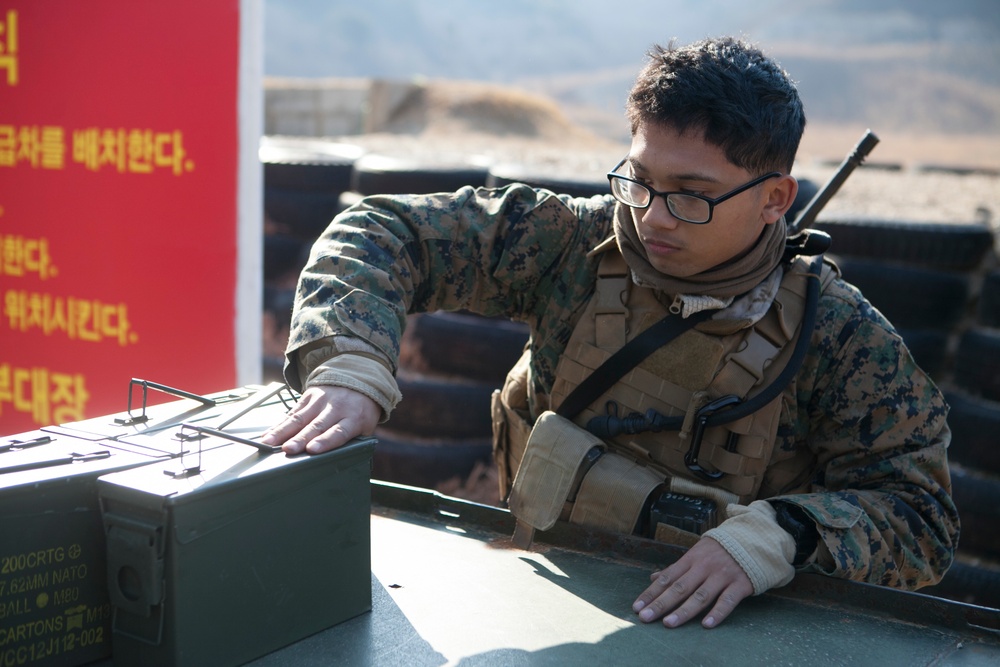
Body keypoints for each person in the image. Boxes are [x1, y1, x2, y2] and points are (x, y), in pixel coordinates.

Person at [261, 36, 958, 630]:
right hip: (539, 583)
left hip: (723, 627)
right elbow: (381, 232)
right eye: (640, 178)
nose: (653, 217)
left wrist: (782, 534)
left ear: (775, 198)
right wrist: (347, 363)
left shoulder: (839, 337)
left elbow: (920, 514)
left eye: (690, 193)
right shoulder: (574, 243)